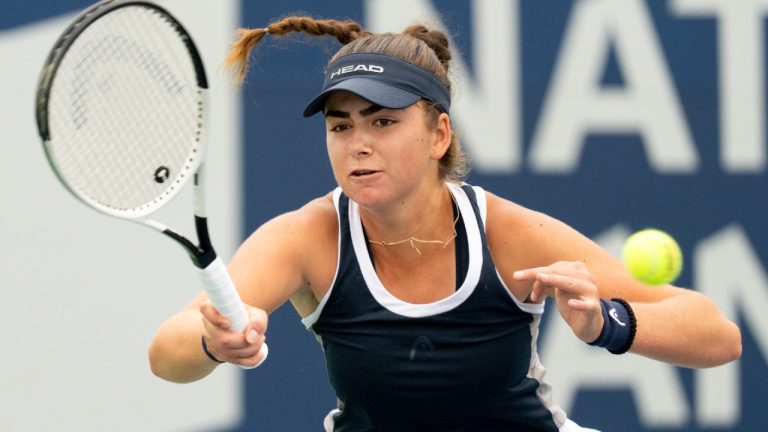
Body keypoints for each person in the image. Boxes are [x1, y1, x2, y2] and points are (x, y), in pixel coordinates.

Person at [148, 16, 742, 432]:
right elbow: (166, 352)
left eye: (382, 122)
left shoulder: (508, 232)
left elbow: (719, 335)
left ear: (439, 135)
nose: (358, 144)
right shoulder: (307, 236)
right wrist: (211, 342)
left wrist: (608, 323)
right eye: (340, 126)